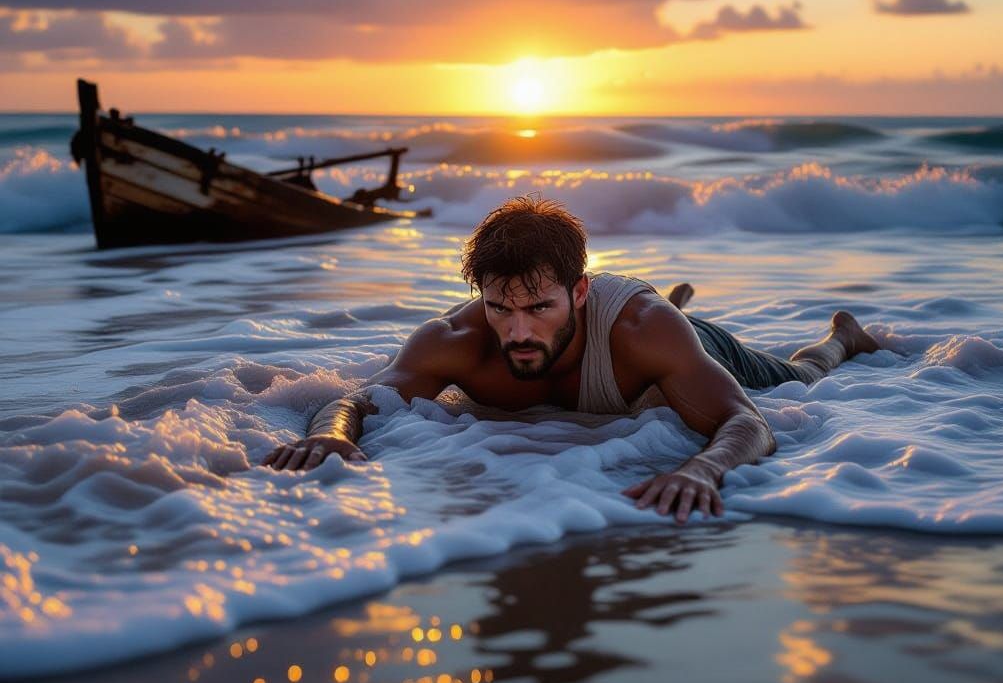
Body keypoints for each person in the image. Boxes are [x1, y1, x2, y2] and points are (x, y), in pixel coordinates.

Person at [262, 196, 879, 523]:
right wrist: (333, 436)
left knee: (797, 377)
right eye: (502, 308)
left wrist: (702, 470)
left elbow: (748, 423)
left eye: (540, 307)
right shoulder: (455, 339)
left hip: (685, 342)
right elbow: (356, 399)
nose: (518, 330)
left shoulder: (643, 330)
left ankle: (844, 336)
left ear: (579, 292)